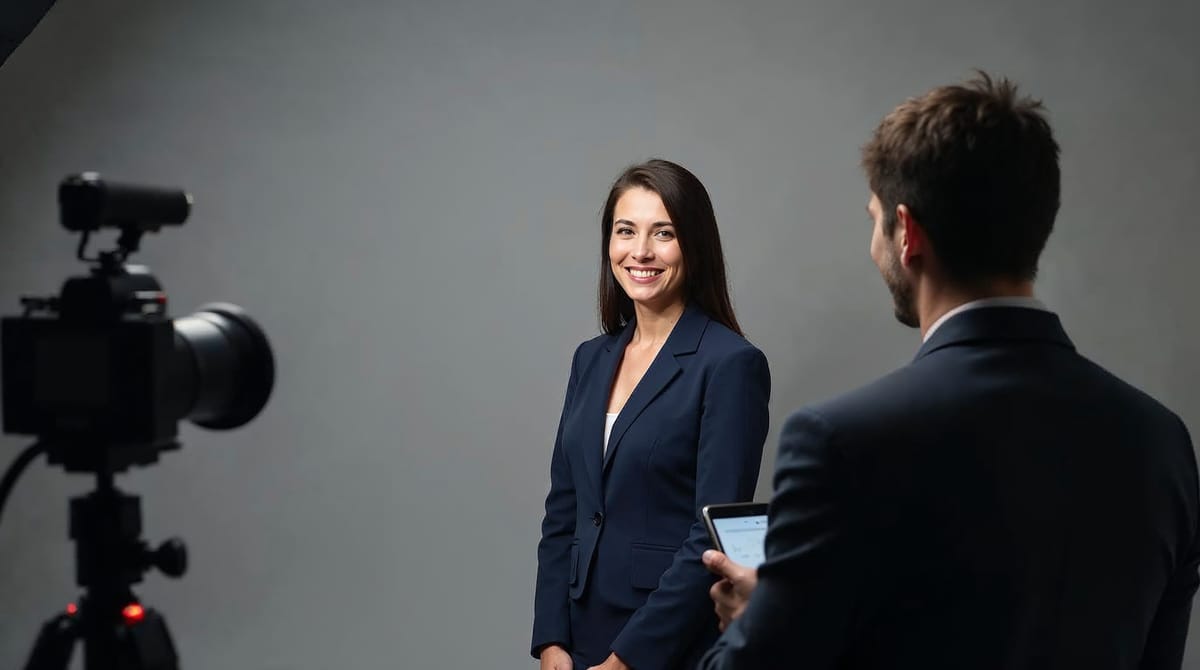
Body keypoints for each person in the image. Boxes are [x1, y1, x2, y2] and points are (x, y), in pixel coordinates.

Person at [699, 72, 1200, 669]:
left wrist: (755, 624)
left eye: (874, 219)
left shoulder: (842, 441)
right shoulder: (1160, 438)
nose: (873, 245)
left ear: (907, 233)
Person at [532, 159, 771, 670]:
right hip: (578, 637)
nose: (640, 252)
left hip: (667, 642)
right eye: (626, 231)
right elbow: (563, 513)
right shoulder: (590, 359)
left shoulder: (730, 365)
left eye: (663, 233)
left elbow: (709, 532)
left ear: (694, 244)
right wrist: (551, 642)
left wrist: (625, 660)